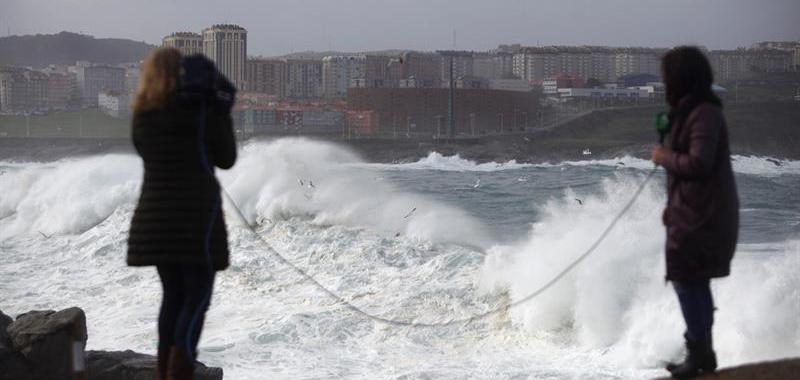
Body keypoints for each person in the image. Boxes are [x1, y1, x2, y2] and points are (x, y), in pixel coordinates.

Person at [127, 47, 237, 380]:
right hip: (195, 222)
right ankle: (179, 372)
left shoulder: (142, 115)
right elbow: (226, 158)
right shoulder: (200, 112)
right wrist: (219, 107)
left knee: (173, 297)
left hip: (153, 221)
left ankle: (165, 371)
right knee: (197, 299)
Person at [651, 46, 739, 379]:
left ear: (681, 78)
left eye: (667, 77)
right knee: (691, 280)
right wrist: (671, 205)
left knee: (687, 280)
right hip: (692, 211)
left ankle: (698, 351)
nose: (664, 84)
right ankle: (703, 353)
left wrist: (663, 157)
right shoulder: (690, 111)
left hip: (705, 215)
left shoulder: (704, 113)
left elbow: (699, 164)